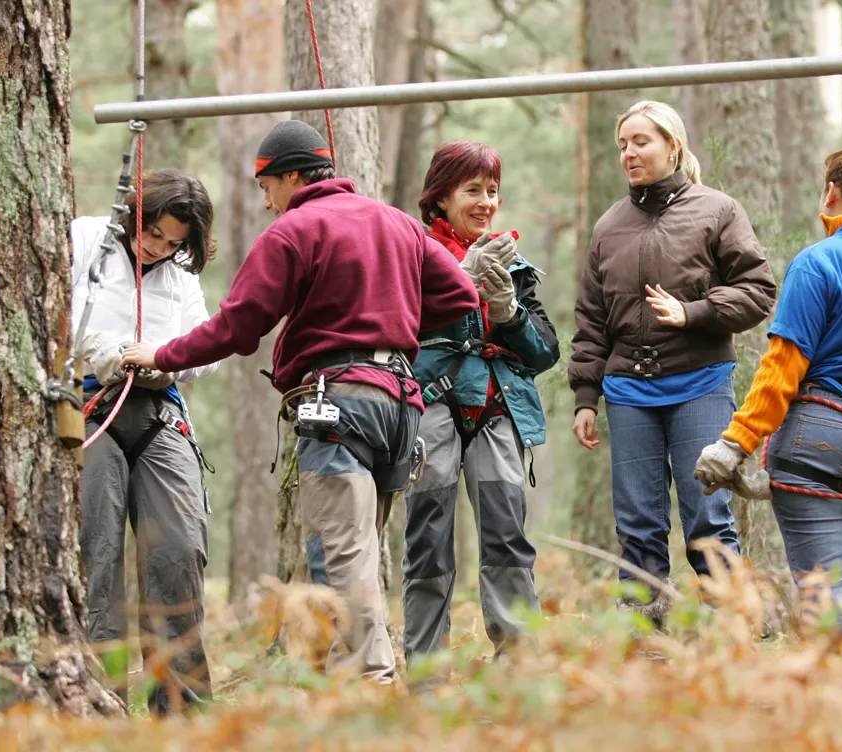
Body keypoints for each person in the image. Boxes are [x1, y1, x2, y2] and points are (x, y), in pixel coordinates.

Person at [120, 120, 479, 683]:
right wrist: (394, 317)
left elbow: (238, 328)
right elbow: (461, 295)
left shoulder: (294, 231)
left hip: (340, 405)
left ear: (290, 175)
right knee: (362, 551)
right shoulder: (399, 224)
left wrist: (162, 354)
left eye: (266, 188)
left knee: (342, 559)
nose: (266, 203)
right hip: (402, 406)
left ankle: (367, 692)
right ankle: (361, 680)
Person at [694, 139, 842, 634]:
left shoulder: (818, 262)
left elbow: (783, 367)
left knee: (831, 601)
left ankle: (838, 706)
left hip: (824, 435)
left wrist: (735, 443)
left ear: (830, 193)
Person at [568, 100, 776, 623]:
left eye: (641, 141)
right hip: (628, 394)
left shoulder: (717, 210)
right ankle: (644, 637)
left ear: (673, 146)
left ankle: (734, 626)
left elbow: (757, 291)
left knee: (707, 515)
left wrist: (694, 312)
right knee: (637, 523)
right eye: (623, 145)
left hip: (699, 383)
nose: (629, 153)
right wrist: (585, 397)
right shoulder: (608, 226)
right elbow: (592, 319)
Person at [403, 141, 560, 665]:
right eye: (473, 190)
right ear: (441, 197)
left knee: (507, 535)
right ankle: (426, 668)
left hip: (497, 409)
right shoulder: (412, 256)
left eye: (492, 191)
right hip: (432, 407)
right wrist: (458, 280)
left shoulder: (512, 264)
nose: (486, 202)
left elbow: (544, 353)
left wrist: (509, 311)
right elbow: (400, 325)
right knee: (428, 536)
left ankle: (519, 663)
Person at [69, 168, 218, 714]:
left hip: (159, 413)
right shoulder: (85, 239)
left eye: (173, 241)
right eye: (151, 233)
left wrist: (166, 358)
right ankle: (99, 704)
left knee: (178, 550)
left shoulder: (180, 273)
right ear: (136, 213)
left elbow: (209, 348)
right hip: (90, 407)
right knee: (97, 549)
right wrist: (101, 351)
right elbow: (47, 309)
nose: (157, 248)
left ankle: (182, 712)